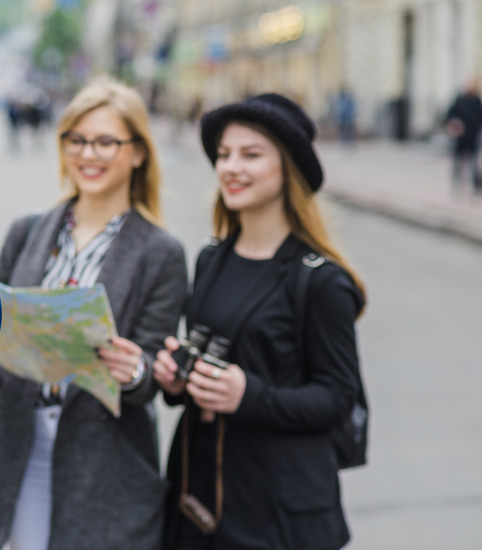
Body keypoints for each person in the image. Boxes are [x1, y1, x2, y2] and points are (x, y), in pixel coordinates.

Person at [0, 77, 188, 550]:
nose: (89, 154)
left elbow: (151, 373)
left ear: (138, 152)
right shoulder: (28, 232)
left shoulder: (160, 253)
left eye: (106, 141)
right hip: (19, 442)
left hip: (104, 459)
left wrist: (134, 369)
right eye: (77, 140)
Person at [153, 93, 366, 550]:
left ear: (289, 168)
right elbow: (213, 358)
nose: (231, 167)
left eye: (251, 155)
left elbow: (338, 398)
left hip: (279, 513)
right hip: (200, 494)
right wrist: (178, 380)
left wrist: (250, 395)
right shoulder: (212, 258)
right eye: (225, 155)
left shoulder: (322, 281)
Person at [445, 78, 482, 195]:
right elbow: (450, 114)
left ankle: (475, 189)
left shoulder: (478, 101)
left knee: (474, 165)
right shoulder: (460, 100)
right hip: (460, 138)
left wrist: (478, 132)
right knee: (458, 164)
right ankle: (456, 188)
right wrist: (455, 123)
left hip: (473, 138)